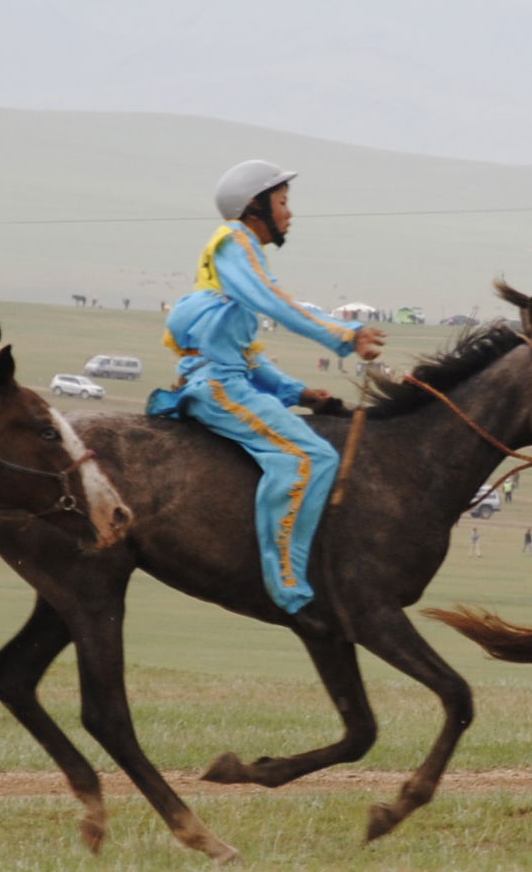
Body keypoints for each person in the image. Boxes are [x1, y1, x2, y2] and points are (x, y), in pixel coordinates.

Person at [147, 161, 385, 612]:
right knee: (308, 457)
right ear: (254, 206)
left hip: (225, 379)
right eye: (282, 202)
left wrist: (297, 394)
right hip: (217, 388)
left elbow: (246, 354)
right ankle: (286, 585)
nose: (289, 213)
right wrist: (345, 335)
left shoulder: (228, 268)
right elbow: (273, 301)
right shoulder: (236, 243)